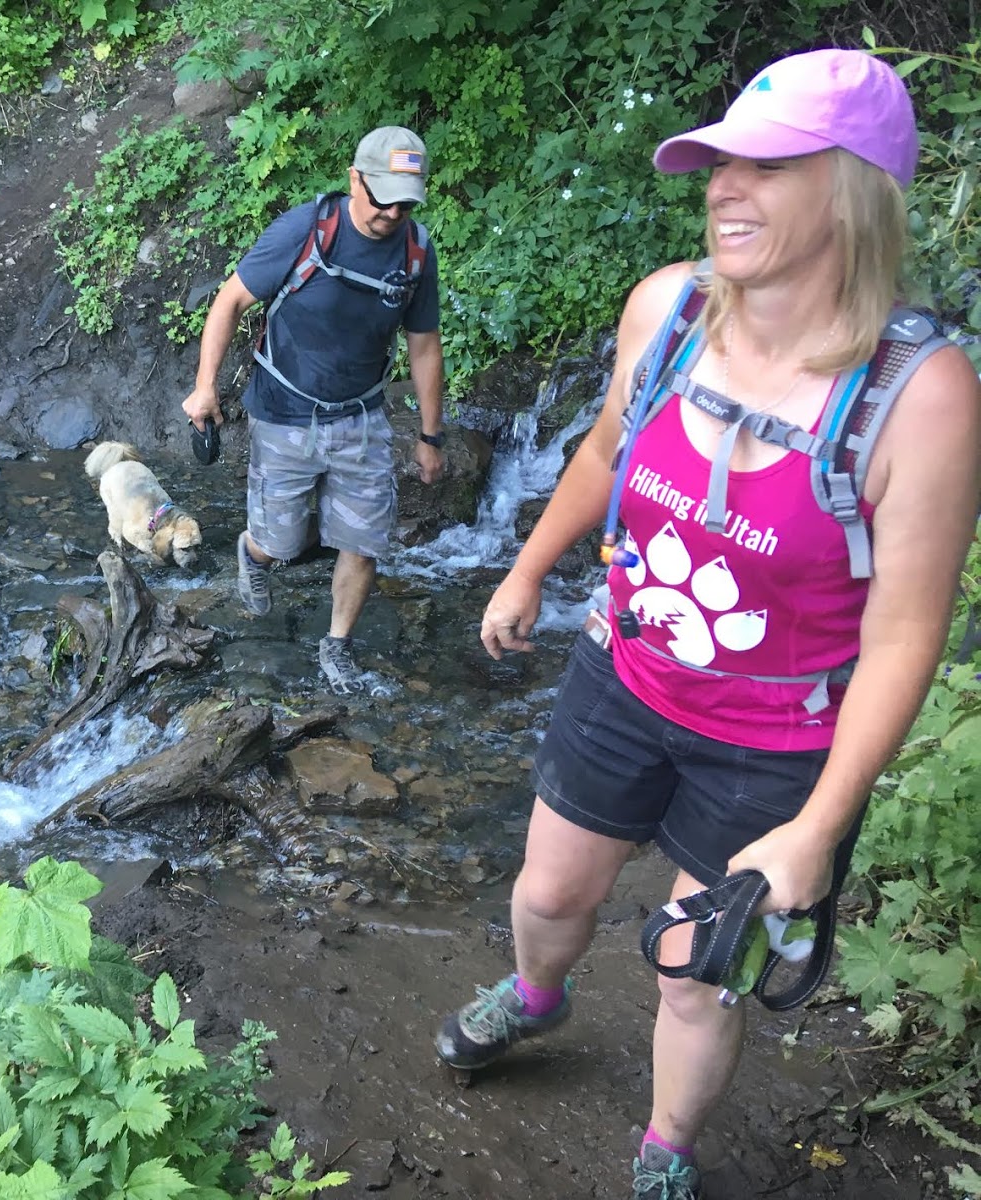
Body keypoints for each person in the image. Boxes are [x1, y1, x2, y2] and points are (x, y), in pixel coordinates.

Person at [434, 49, 981, 1200]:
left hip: (775, 745)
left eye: (764, 166)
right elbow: (600, 453)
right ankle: (537, 995)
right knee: (546, 897)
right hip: (622, 679)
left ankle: (666, 1151)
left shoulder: (919, 400)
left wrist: (818, 828)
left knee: (698, 977)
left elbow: (903, 637)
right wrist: (526, 571)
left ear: (851, 188)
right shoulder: (667, 309)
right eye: (718, 162)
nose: (724, 186)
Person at [182, 126, 446, 695]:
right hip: (284, 413)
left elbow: (424, 346)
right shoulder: (305, 230)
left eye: (405, 202)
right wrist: (205, 388)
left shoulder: (415, 252)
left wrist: (431, 435)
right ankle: (253, 553)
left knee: (363, 541)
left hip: (362, 417)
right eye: (382, 198)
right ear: (355, 179)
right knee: (282, 543)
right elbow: (230, 300)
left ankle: (337, 647)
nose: (392, 213)